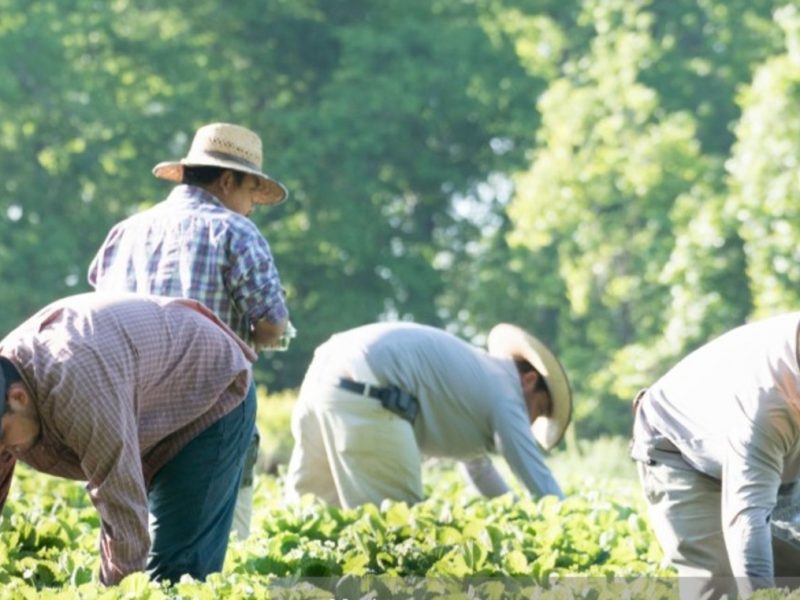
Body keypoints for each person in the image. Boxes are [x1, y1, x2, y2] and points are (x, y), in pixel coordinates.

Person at [87, 122, 292, 540]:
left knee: (132, 543)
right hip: (209, 408)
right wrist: (266, 336)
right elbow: (271, 324)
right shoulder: (235, 231)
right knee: (205, 552)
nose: (252, 206)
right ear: (228, 179)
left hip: (128, 409)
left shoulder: (126, 231)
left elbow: (99, 309)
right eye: (251, 192)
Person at [0, 292, 257, 585]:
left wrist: (120, 591)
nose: (5, 451)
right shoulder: (6, 379)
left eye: (4, 437)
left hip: (207, 392)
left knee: (176, 574)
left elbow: (120, 498)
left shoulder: (78, 386)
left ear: (18, 398)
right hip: (142, 399)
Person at [284, 321, 572, 508]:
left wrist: (512, 512)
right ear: (530, 380)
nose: (532, 422)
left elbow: (477, 467)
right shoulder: (506, 393)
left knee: (315, 515)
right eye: (540, 409)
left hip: (323, 379)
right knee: (392, 537)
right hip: (369, 391)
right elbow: (534, 473)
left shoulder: (478, 376)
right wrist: (562, 516)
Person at [630, 311, 800, 599]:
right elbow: (748, 519)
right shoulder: (765, 402)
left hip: (776, 458)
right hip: (680, 450)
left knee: (794, 561)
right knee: (719, 583)